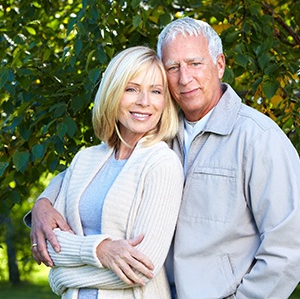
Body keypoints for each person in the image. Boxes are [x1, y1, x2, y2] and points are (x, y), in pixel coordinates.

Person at [26, 17, 300, 298]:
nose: (184, 78)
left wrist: (64, 274)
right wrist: (43, 204)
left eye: (195, 63)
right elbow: (91, 171)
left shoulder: (257, 138)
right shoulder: (157, 129)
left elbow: (289, 247)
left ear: (219, 65)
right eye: (173, 67)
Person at [25, 45, 184, 298]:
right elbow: (51, 245)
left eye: (156, 91)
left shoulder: (162, 163)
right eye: (131, 89)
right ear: (112, 93)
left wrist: (62, 275)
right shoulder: (85, 159)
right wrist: (100, 250)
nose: (144, 102)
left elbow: (142, 267)